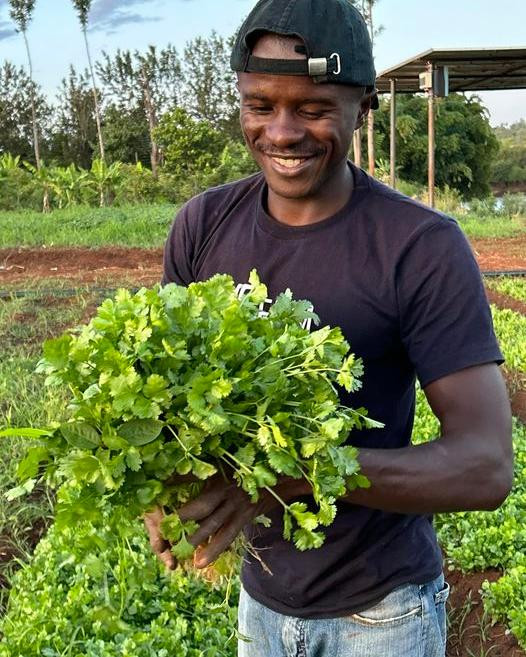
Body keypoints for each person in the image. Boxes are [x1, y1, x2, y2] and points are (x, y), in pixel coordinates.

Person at [144, 1, 513, 655]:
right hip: (260, 605)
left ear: (362, 107)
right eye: (260, 105)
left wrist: (298, 475)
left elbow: (484, 466)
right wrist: (159, 485)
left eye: (313, 109)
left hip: (382, 613)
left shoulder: (419, 246)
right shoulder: (202, 226)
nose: (282, 132)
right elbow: (167, 400)